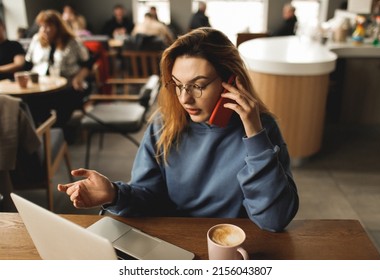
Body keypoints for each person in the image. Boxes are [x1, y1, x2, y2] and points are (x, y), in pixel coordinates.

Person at [58, 27, 299, 232]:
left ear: (231, 81)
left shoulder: (261, 128)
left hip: (232, 247)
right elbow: (149, 197)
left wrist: (255, 136)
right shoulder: (165, 124)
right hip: (173, 241)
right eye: (178, 85)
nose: (185, 99)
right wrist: (114, 193)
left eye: (197, 85)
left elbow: (273, 220)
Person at [25, 10, 92, 127]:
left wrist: (79, 78)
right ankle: (44, 131)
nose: (44, 30)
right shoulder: (36, 40)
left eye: (48, 26)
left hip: (68, 84)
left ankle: (59, 131)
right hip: (41, 85)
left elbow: (88, 63)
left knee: (64, 100)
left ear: (58, 26)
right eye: (41, 26)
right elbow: (28, 64)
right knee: (30, 101)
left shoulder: (72, 41)